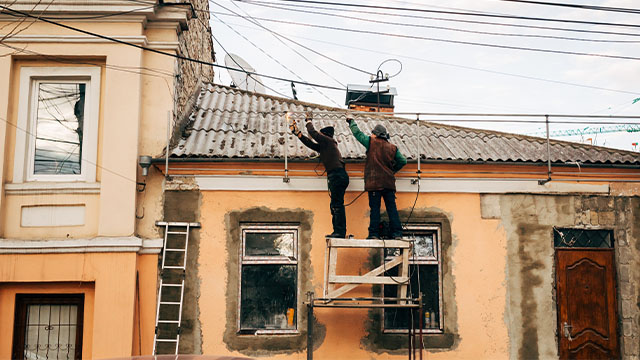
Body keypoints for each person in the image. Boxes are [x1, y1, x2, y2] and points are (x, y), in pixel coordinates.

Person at [290, 111, 349, 238]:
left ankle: (340, 232)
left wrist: (308, 121)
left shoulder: (328, 141)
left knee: (337, 205)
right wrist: (298, 134)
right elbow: (310, 144)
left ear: (325, 135)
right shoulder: (327, 146)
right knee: (335, 204)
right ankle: (338, 231)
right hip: (338, 176)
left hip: (337, 176)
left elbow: (313, 134)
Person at [347, 117, 407, 239]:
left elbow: (357, 134)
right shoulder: (393, 147)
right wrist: (392, 170)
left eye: (372, 133)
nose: (371, 135)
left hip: (374, 184)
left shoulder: (371, 142)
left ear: (375, 134)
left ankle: (373, 234)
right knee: (392, 209)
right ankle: (397, 233)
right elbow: (403, 161)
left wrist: (351, 122)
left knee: (375, 209)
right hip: (389, 184)